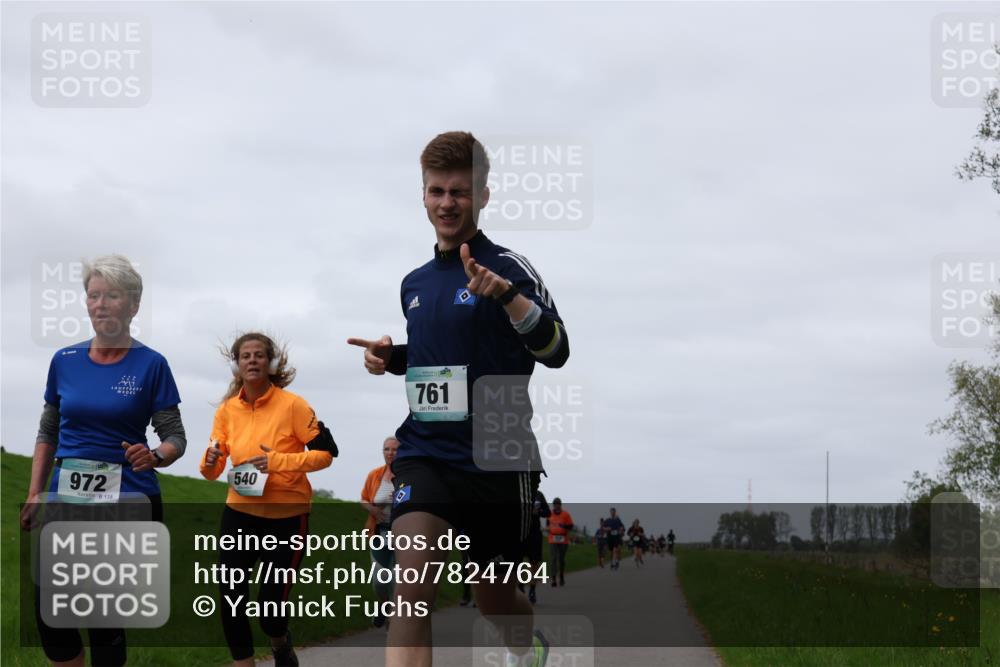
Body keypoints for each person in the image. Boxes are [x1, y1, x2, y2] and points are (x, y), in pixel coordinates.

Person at [347, 131, 570, 667]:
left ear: (484, 196)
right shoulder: (414, 283)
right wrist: (391, 357)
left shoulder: (511, 269)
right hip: (425, 451)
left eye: (460, 192)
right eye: (436, 191)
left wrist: (510, 300)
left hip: (497, 458)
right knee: (411, 589)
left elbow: (557, 350)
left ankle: (526, 647)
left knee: (496, 602)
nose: (447, 203)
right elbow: (438, 354)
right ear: (423, 195)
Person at [20, 254, 187, 667]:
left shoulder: (152, 364)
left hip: (128, 498)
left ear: (133, 304)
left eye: (111, 295)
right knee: (51, 611)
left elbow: (175, 437)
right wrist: (35, 491)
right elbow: (48, 431)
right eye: (93, 295)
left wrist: (157, 456)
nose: (100, 304)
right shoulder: (64, 361)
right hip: (67, 499)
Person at [200, 332, 338, 667]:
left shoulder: (294, 405)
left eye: (259, 355)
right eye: (245, 356)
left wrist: (277, 461)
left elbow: (325, 455)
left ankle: (279, 643)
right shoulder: (227, 411)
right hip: (239, 513)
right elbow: (211, 471)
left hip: (286, 519)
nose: (252, 360)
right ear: (237, 365)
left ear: (271, 362)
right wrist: (210, 459)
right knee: (231, 598)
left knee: (269, 610)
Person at [361, 437, 399, 628]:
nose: (390, 453)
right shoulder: (374, 475)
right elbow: (363, 499)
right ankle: (383, 604)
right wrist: (373, 510)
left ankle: (394, 619)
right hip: (378, 532)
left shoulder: (406, 476)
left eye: (394, 449)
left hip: (402, 535)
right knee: (379, 578)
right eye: (387, 449)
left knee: (397, 578)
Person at [519, 488, 551, 603]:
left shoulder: (538, 494)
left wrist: (539, 512)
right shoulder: (518, 490)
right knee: (518, 561)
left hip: (535, 533)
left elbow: (548, 512)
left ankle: (532, 590)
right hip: (520, 532)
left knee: (534, 562)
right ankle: (520, 585)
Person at [546, 498, 574, 587]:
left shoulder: (566, 514)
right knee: (553, 559)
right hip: (552, 538)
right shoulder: (549, 514)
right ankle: (553, 579)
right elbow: (547, 524)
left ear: (560, 505)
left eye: (558, 504)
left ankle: (561, 576)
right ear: (553, 505)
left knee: (561, 559)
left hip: (563, 539)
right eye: (555, 504)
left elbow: (571, 526)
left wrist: (564, 526)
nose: (556, 506)